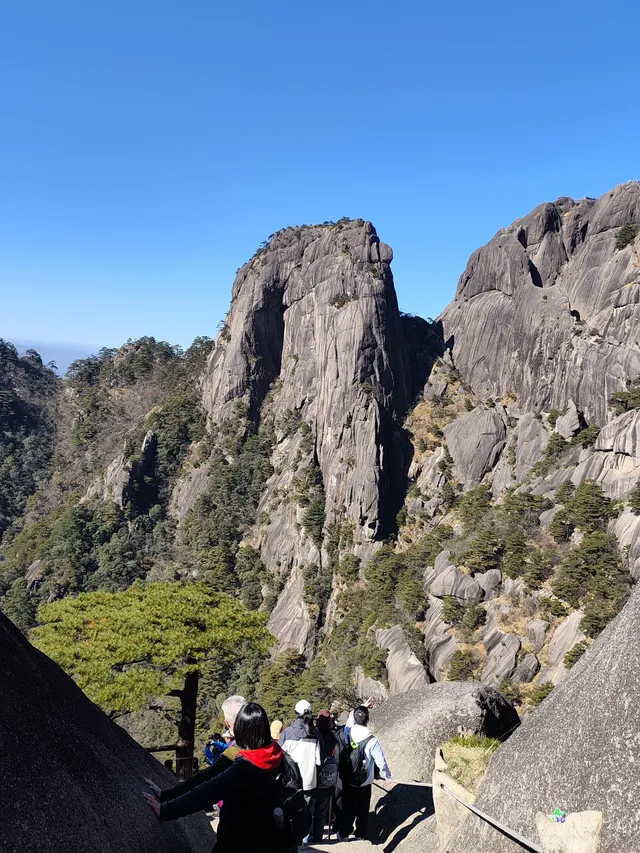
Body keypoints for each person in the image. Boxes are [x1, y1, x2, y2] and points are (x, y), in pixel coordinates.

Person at [143, 702, 296, 853]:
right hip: (276, 841)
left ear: (241, 730)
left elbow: (204, 793)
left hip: (240, 843)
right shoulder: (283, 758)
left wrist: (165, 810)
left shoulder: (243, 767)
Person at [144, 695, 245, 804]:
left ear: (227, 722)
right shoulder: (258, 747)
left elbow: (202, 780)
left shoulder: (234, 751)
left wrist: (165, 803)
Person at [338, 704, 391, 841]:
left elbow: (350, 720)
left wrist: (359, 708)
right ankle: (360, 835)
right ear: (368, 720)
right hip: (364, 782)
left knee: (347, 807)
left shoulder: (348, 731)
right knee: (362, 810)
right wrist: (387, 776)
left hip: (348, 778)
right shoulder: (372, 740)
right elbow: (381, 761)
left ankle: (343, 833)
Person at [279, 700, 321, 845]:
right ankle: (304, 839)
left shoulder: (286, 734)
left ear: (295, 713)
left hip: (292, 782)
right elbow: (319, 760)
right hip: (310, 780)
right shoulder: (315, 734)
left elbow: (279, 759)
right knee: (306, 812)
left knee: (291, 811)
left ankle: (293, 840)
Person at [312, 709, 340, 842]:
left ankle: (309, 838)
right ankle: (318, 837)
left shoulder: (314, 736)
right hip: (328, 778)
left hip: (314, 777)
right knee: (322, 810)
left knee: (311, 809)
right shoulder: (334, 738)